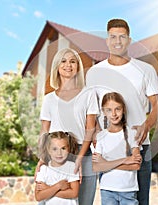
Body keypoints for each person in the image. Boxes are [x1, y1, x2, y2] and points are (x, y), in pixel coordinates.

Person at [86, 18, 158, 205]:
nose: (117, 41)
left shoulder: (145, 69)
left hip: (139, 145)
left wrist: (147, 125)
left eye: (122, 37)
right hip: (109, 148)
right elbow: (90, 110)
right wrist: (96, 133)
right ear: (107, 40)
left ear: (129, 40)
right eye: (113, 37)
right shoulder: (94, 72)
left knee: (141, 201)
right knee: (110, 199)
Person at [37, 48, 99, 205]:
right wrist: (42, 157)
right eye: (63, 61)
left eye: (73, 61)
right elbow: (44, 131)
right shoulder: (49, 99)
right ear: (57, 67)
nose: (68, 65)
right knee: (49, 200)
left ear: (78, 66)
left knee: (84, 201)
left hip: (82, 153)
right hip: (55, 153)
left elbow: (90, 129)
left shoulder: (89, 93)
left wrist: (79, 159)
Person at [92, 92, 141, 205]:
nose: (113, 114)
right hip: (107, 189)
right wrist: (125, 160)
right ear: (104, 112)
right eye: (109, 110)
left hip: (128, 190)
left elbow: (136, 165)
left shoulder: (132, 134)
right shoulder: (101, 137)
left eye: (117, 109)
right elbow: (96, 167)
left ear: (123, 110)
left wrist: (106, 164)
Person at [35, 131, 80, 205]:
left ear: (68, 149)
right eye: (54, 149)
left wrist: (47, 189)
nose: (59, 153)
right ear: (49, 150)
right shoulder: (43, 169)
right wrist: (58, 186)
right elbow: (38, 196)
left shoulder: (72, 167)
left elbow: (74, 193)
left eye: (63, 148)